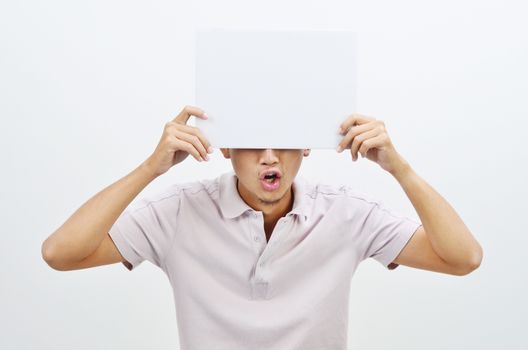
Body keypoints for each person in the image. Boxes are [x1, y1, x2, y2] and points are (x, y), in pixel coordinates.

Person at [41, 105, 483, 349]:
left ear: (307, 147)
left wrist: (398, 167)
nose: (270, 157)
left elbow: (463, 258)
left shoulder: (347, 213)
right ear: (226, 148)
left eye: (284, 141)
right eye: (254, 142)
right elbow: (61, 253)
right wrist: (149, 169)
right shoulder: (178, 212)